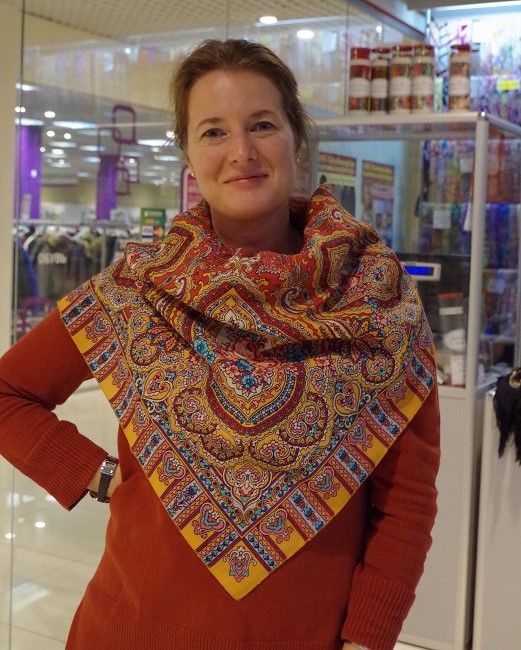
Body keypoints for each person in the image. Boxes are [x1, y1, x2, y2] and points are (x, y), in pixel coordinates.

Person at [0, 38, 440, 650]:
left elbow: (406, 500)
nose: (241, 152)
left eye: (262, 124)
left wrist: (369, 635)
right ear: (187, 153)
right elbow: (8, 393)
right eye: (213, 131)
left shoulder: (375, 297)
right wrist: (99, 476)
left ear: (296, 137)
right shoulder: (140, 287)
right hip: (128, 631)